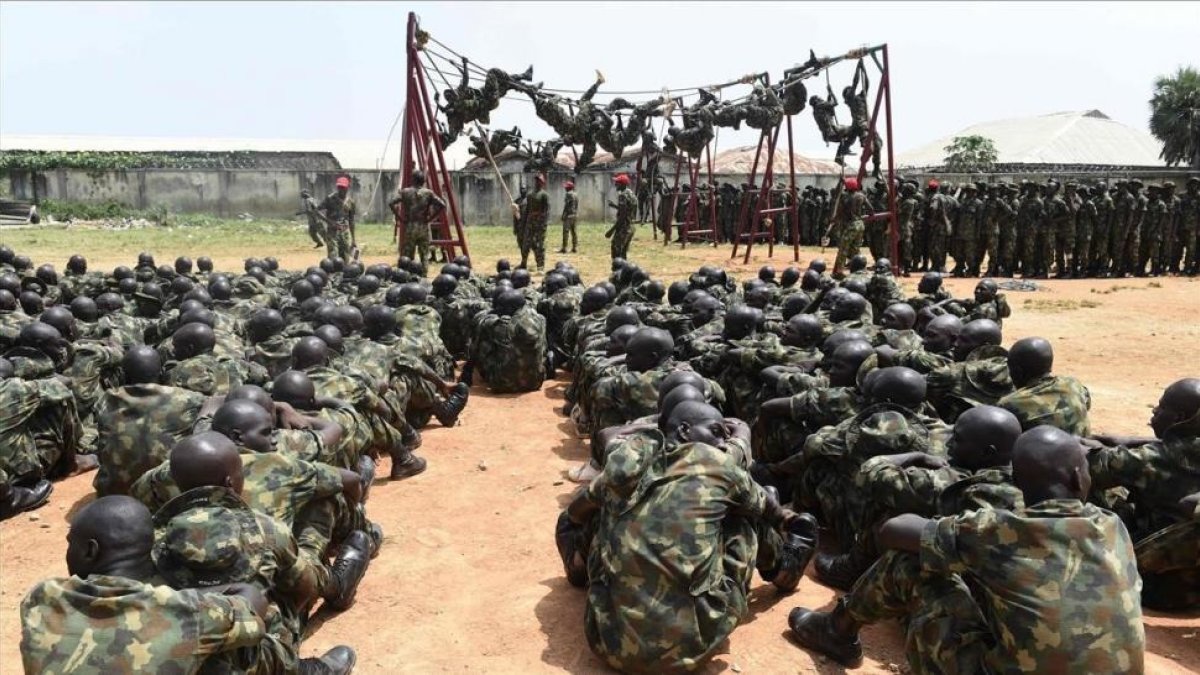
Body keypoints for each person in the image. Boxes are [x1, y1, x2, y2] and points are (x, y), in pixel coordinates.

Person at [787, 425, 1145, 672]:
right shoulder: (1113, 527)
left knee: (907, 563)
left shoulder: (1000, 529)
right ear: (1081, 478)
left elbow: (893, 530)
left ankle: (837, 630)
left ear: (1018, 483)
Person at [558, 400, 818, 673]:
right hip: (690, 648)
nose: (722, 443)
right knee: (742, 516)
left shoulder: (627, 463)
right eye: (717, 432)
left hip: (607, 643)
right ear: (684, 431)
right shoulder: (715, 463)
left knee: (606, 513)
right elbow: (768, 510)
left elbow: (576, 512)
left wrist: (578, 522)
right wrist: (789, 520)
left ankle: (576, 564)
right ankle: (784, 568)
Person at [19, 495, 357, 673]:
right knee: (234, 653)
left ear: (90, 551)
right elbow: (252, 605)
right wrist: (201, 597)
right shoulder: (184, 615)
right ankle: (307, 671)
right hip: (224, 613)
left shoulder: (40, 599)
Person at [998, 337, 1091, 436]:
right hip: (1084, 448)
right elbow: (1087, 404)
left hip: (1046, 450)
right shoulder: (1073, 384)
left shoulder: (1010, 404)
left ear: (1018, 371)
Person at [389, 170, 446, 274]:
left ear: (413, 180)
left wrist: (400, 219)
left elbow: (391, 203)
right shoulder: (429, 193)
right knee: (424, 254)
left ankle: (407, 275)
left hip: (410, 225)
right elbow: (442, 205)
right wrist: (430, 219)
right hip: (423, 226)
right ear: (423, 181)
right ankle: (424, 275)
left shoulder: (405, 192)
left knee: (408, 254)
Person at [318, 176, 356, 263]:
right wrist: (330, 222)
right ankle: (333, 275)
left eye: (343, 187)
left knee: (345, 258)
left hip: (344, 233)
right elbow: (317, 211)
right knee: (333, 257)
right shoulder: (330, 198)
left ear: (347, 188)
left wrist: (353, 239)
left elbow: (352, 220)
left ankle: (344, 275)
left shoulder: (351, 202)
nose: (341, 189)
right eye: (339, 187)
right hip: (332, 232)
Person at [522, 173, 551, 271]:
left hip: (540, 223)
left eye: (539, 180)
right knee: (526, 242)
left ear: (543, 183)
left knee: (540, 244)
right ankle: (523, 263)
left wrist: (542, 221)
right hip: (530, 223)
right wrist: (524, 222)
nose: (537, 182)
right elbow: (527, 210)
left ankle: (540, 265)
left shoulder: (544, 195)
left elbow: (546, 211)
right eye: (536, 180)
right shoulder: (530, 195)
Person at [606, 173, 637, 260]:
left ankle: (618, 272)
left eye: (617, 183)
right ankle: (625, 272)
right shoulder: (631, 193)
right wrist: (615, 206)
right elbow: (628, 210)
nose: (615, 184)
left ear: (623, 184)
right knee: (623, 253)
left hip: (624, 227)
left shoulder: (622, 195)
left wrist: (611, 230)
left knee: (616, 252)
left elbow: (622, 216)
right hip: (631, 226)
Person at [559, 179, 579, 254]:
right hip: (575, 215)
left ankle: (564, 248)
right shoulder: (576, 194)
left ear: (569, 188)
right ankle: (574, 247)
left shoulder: (568, 194)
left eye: (566, 187)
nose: (565, 188)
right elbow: (577, 205)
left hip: (568, 215)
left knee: (566, 232)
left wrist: (563, 214)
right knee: (574, 232)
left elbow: (566, 205)